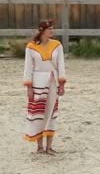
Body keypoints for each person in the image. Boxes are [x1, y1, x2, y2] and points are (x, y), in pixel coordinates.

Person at [23, 19, 67, 155]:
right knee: (38, 113)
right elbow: (28, 68)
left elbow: (61, 65)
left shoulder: (57, 45)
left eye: (52, 29)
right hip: (38, 83)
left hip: (53, 82)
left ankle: (49, 147)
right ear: (42, 31)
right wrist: (29, 87)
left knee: (51, 113)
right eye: (49, 29)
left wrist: (61, 84)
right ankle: (39, 147)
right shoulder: (31, 47)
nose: (52, 31)